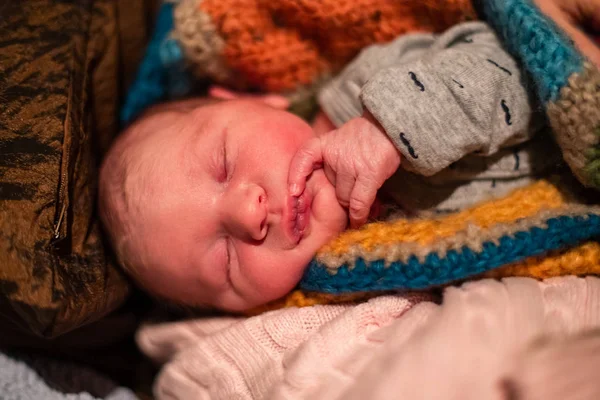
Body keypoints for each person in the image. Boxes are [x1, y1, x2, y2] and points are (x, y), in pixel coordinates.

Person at [97, 20, 575, 312]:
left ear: (256, 100)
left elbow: (507, 64)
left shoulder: (369, 87)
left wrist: (388, 125)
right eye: (226, 262)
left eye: (224, 165)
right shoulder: (356, 275)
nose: (248, 215)